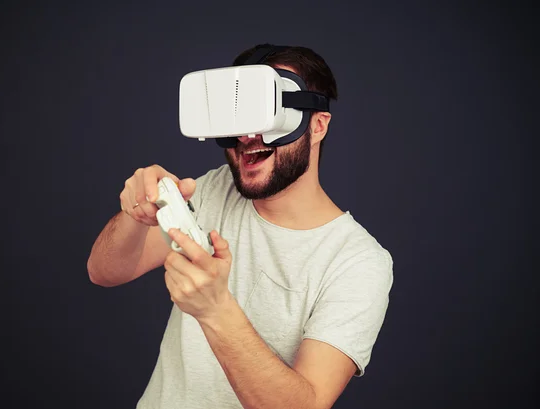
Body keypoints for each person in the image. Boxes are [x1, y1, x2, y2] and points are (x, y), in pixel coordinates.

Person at [87, 44, 394, 409]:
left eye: (265, 112)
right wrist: (135, 217)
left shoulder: (358, 262)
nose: (248, 135)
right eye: (238, 112)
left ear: (317, 124)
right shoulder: (216, 189)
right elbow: (103, 272)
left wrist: (216, 309)